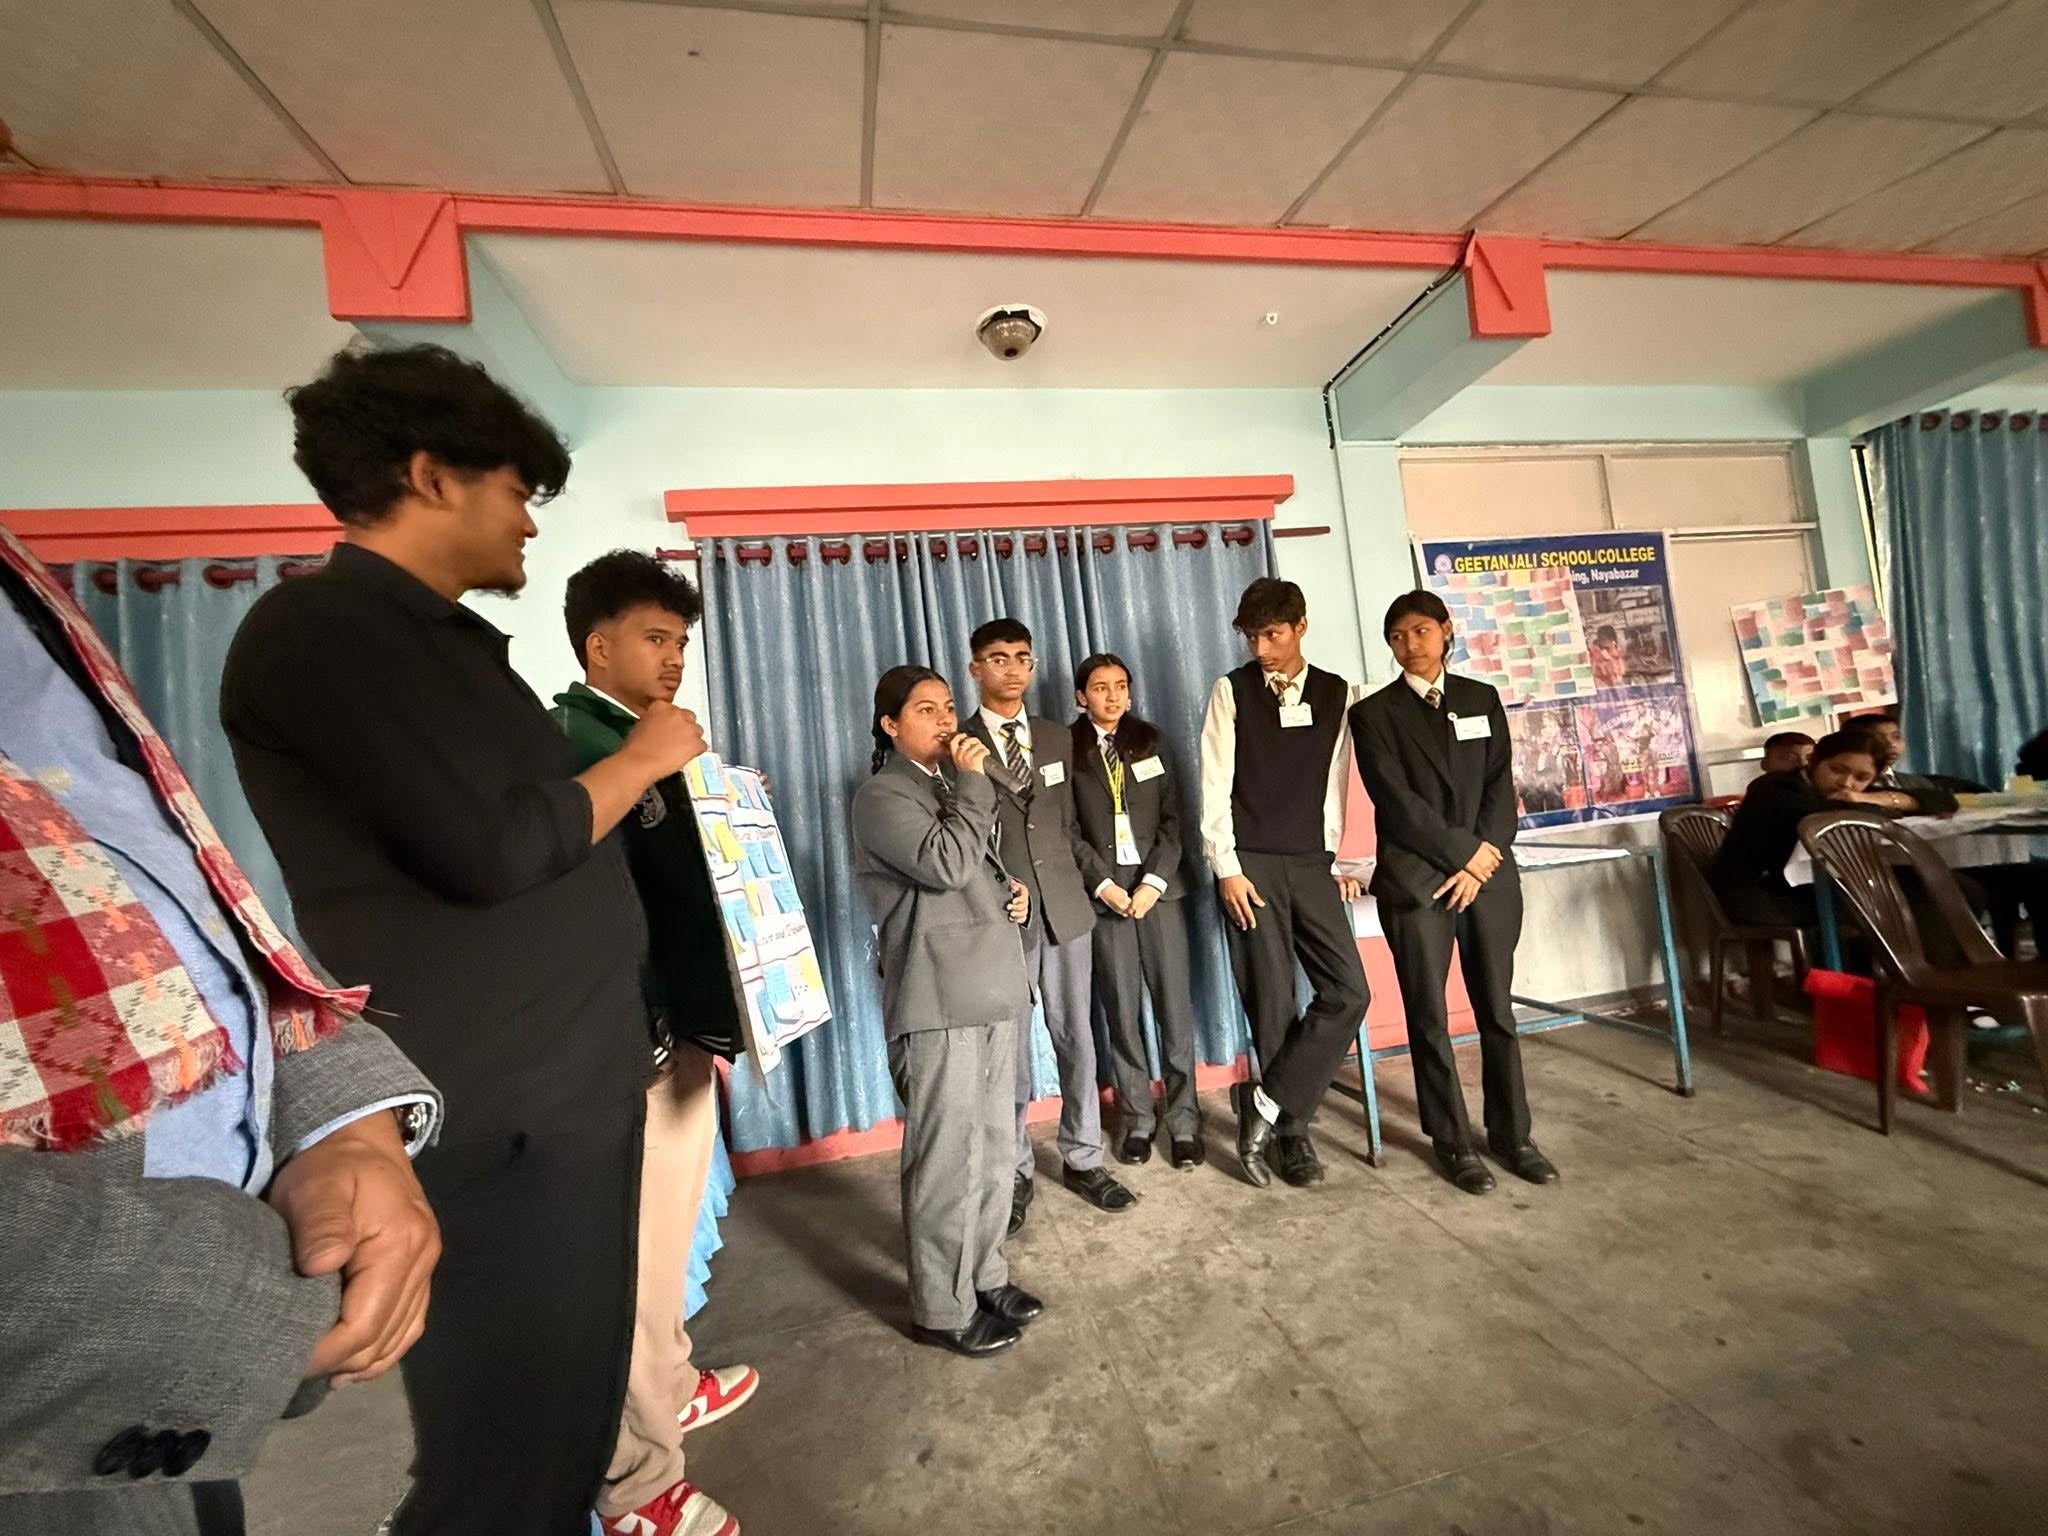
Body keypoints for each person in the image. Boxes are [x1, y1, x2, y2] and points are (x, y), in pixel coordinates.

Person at [219, 345, 716, 1536]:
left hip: (566, 1092)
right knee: (504, 1462)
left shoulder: (446, 648)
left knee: (566, 1425)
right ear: (432, 475)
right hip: (496, 1116)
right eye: (515, 493)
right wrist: (647, 756)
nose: (528, 525)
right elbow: (493, 847)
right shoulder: (321, 629)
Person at [0, 523, 442, 1536]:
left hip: (169, 1400)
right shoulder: (298, 633)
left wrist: (343, 1120)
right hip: (86, 1405)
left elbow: (176, 911)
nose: (528, 522)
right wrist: (240, 1290)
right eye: (509, 491)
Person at [550, 552, 760, 1533]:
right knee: (631, 1265)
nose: (675, 658)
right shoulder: (573, 746)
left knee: (667, 1243)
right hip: (627, 1042)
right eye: (654, 638)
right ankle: (637, 1481)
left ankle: (670, 1388)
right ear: (599, 647)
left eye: (680, 641)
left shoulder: (649, 740)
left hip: (681, 1030)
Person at [852, 666, 1044, 1359]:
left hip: (991, 986)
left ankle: (984, 1276)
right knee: (946, 1159)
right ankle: (941, 1307)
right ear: (890, 725)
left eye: (948, 707)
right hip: (938, 997)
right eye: (926, 709)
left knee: (992, 1147)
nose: (945, 720)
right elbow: (943, 866)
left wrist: (1011, 893)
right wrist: (975, 785)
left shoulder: (943, 785)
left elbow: (971, 874)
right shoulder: (882, 795)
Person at [1350, 591, 1556, 1196]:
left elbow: (1499, 786)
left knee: (1497, 1010)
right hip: (1418, 882)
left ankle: (1513, 1135)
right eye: (1397, 637)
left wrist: (1481, 860)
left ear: (1446, 631)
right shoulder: (1373, 714)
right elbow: (1396, 801)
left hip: (1487, 880)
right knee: (1429, 1016)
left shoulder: (1479, 698)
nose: (1410, 645)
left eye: (1420, 631)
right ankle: (1453, 1142)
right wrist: (1463, 856)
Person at [960, 619, 1135, 1231]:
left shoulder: (1058, 736)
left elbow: (1068, 826)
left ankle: (1084, 1157)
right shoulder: (960, 744)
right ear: (975, 668)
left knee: (1077, 1038)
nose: (1012, 669)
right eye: (998, 658)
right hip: (1003, 917)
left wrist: (1099, 883)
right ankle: (1013, 1171)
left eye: (1023, 658)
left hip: (1066, 909)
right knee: (1008, 1052)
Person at [1199, 577, 1369, 1190]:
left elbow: (1335, 781)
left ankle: (1265, 1103)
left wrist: (1331, 855)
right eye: (1252, 637)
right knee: (1272, 1003)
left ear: (1301, 626)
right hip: (1251, 864)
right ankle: (1291, 1137)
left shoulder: (1337, 692)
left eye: (1272, 635)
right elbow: (1214, 781)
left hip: (1309, 861)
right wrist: (1227, 867)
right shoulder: (1231, 690)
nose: (1261, 649)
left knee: (1348, 992)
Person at [1067, 653, 1203, 1170]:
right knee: (1121, 1013)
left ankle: (1184, 1122)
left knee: (1175, 1013)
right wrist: (1102, 885)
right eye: (1100, 687)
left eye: (1121, 686)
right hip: (1105, 899)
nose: (1113, 696)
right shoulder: (1067, 748)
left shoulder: (1152, 740)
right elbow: (1065, 830)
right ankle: (1138, 1120)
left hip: (1157, 896)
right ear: (1081, 697)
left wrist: (1153, 881)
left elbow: (1174, 820)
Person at [1853, 708, 1960, 814]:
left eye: (1896, 737)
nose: (1891, 744)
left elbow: (1947, 802)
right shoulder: (1853, 785)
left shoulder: (1917, 782)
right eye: (1879, 738)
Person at [1589, 623, 1629, 688]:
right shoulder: (1596, 654)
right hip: (1603, 686)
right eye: (1602, 639)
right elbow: (1596, 671)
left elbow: (1622, 671)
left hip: (1619, 684)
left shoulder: (1618, 650)